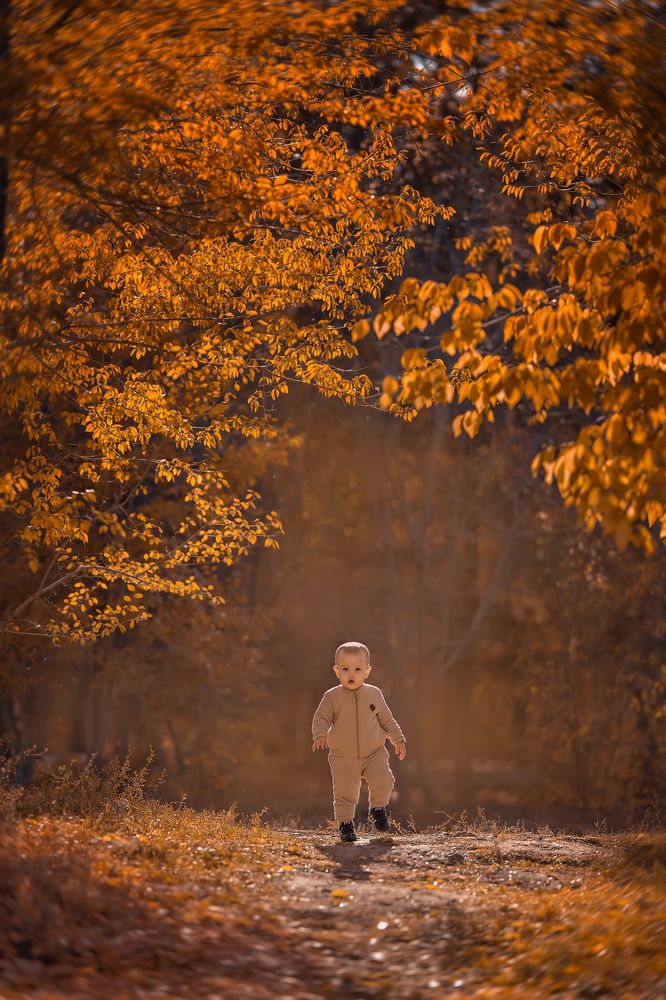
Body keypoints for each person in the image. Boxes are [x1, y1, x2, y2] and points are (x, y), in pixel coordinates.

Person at [311, 641, 407, 842]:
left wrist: (398, 739)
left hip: (374, 752)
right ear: (337, 671)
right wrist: (320, 735)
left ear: (367, 671)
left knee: (384, 780)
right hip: (342, 755)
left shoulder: (374, 694)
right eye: (345, 669)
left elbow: (387, 720)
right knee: (345, 792)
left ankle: (378, 809)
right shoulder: (332, 697)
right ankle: (346, 825)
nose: (351, 674)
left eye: (357, 669)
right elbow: (321, 718)